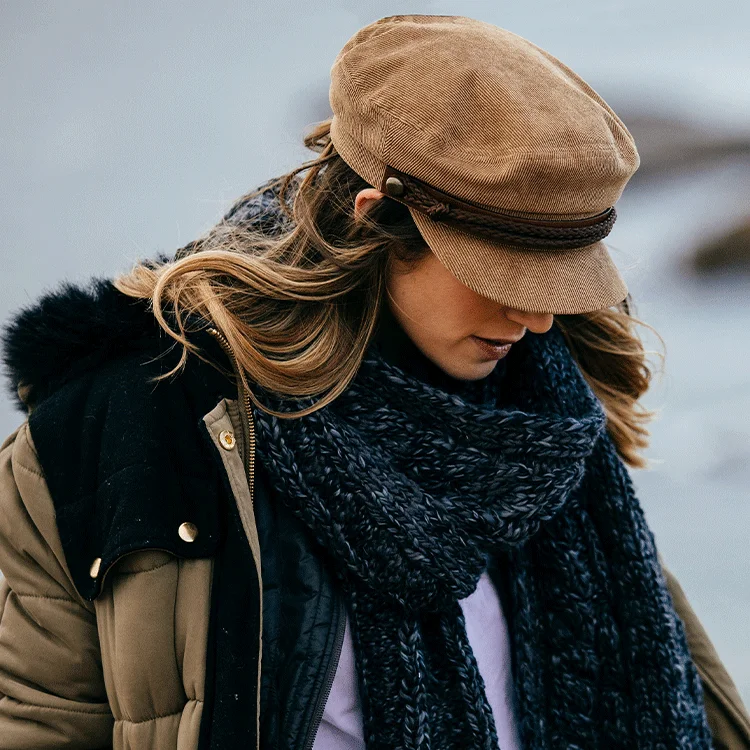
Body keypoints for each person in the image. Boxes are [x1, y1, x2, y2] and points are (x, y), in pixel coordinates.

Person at [0, 13, 748, 750]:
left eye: (558, 279)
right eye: (502, 274)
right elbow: (38, 722)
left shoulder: (547, 427)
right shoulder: (111, 437)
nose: (538, 317)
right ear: (376, 222)